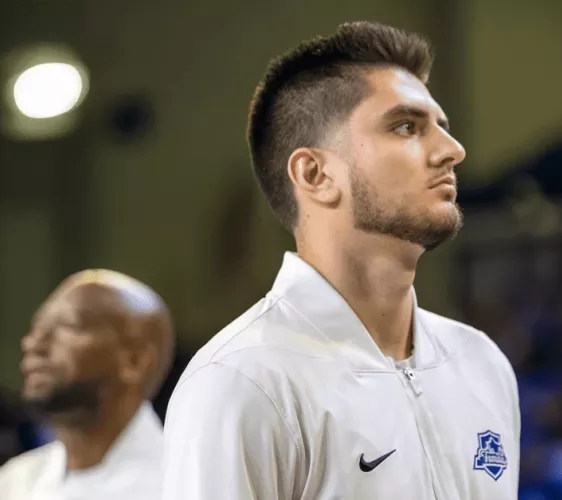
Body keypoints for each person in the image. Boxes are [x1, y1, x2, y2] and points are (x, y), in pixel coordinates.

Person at [160, 20, 520, 500]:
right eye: (407, 126)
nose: (452, 151)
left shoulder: (480, 363)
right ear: (315, 174)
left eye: (443, 128)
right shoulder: (242, 380)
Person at [0, 269, 175, 500]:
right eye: (37, 327)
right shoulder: (15, 482)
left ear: (134, 361)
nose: (33, 344)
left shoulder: (181, 483)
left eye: (70, 325)